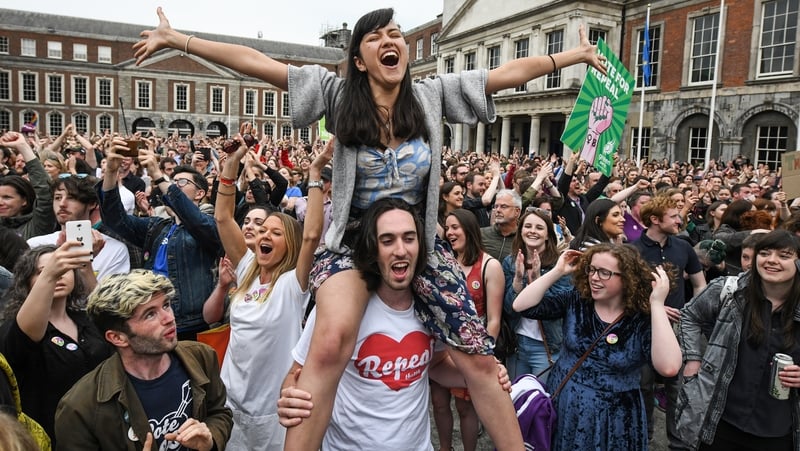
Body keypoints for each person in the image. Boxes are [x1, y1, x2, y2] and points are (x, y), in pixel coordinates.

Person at [133, 8, 605, 449]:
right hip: (355, 240)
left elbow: (502, 77)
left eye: (395, 33)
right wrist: (182, 40)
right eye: (376, 37)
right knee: (333, 340)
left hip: (416, 239)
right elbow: (260, 63)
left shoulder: (430, 96)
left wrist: (576, 56)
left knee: (479, 356)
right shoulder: (339, 97)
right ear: (359, 59)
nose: (390, 40)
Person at [276, 198, 511, 450]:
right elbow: (297, 372)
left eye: (409, 238)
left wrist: (479, 375)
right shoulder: (342, 311)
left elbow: (436, 365)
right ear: (372, 249)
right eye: (387, 240)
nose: (400, 250)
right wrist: (289, 393)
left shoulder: (430, 307)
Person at [203, 138, 327, 450]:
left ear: (290, 245)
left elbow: (312, 234)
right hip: (231, 401)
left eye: (275, 232)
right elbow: (222, 217)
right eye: (261, 231)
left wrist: (314, 172)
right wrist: (231, 164)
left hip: (273, 409)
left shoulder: (291, 285)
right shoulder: (247, 270)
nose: (264, 236)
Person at [513, 244, 681, 450]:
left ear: (627, 278)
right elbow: (521, 305)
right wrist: (557, 271)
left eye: (604, 272)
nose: (594, 277)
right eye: (591, 269)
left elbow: (669, 367)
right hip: (567, 402)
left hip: (616, 416)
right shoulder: (578, 300)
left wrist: (656, 304)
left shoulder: (642, 319)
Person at [54, 270, 233, 450]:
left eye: (166, 305)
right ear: (118, 338)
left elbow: (219, 412)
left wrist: (210, 440)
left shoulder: (201, 357)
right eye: (150, 314)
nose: (169, 318)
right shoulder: (80, 407)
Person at [676, 229, 800, 451]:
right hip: (720, 422)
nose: (771, 261)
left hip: (778, 430)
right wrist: (692, 359)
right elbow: (690, 315)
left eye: (784, 255)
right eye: (765, 253)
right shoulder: (731, 291)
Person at [98, 138, 223, 339]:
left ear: (200, 193)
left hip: (189, 327)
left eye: (181, 183)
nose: (173, 187)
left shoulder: (210, 225)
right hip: (151, 322)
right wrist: (111, 172)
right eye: (172, 183)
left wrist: (157, 174)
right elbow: (114, 219)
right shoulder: (156, 226)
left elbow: (193, 218)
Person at [0, 244, 112, 444]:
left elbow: (111, 316)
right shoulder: (17, 327)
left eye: (65, 270)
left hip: (99, 433)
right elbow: (27, 334)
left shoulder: (86, 320)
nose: (58, 275)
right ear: (27, 282)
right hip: (51, 437)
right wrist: (50, 274)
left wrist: (84, 264)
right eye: (42, 272)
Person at [433, 208, 504, 451]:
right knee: (439, 403)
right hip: (441, 347)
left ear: (469, 228)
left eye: (456, 227)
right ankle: (445, 448)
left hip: (472, 348)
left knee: (465, 408)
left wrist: (486, 354)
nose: (450, 232)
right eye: (448, 227)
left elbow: (494, 318)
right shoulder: (443, 262)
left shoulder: (489, 265)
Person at [503, 209, 572, 379]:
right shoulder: (510, 262)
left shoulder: (560, 266)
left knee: (541, 401)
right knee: (517, 399)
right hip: (517, 343)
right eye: (528, 226)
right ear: (521, 231)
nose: (532, 231)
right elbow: (508, 309)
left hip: (546, 346)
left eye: (539, 228)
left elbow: (555, 308)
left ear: (548, 235)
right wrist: (518, 280)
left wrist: (539, 280)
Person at [27, 174, 130, 282]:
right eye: (57, 197)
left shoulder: (114, 249)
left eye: (71, 198)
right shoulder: (35, 245)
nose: (62, 204)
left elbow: (107, 298)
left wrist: (84, 264)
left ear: (92, 204)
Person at [0, 132, 56, 240]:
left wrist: (23, 147)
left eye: (7, 197)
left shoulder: (36, 225)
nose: (0, 202)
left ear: (24, 201)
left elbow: (45, 192)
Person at [481, 189, 522, 261]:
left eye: (504, 206)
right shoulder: (481, 234)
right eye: (496, 206)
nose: (498, 210)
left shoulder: (523, 239)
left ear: (517, 211)